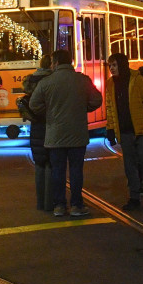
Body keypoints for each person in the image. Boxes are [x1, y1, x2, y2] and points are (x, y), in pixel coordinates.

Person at [29, 47, 102, 218]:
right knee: (76, 170)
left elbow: (33, 105)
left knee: (58, 171)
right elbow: (96, 99)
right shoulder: (82, 80)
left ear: (54, 63)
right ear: (70, 62)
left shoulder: (46, 82)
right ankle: (77, 205)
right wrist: (84, 108)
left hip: (55, 135)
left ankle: (59, 206)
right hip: (77, 134)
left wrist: (48, 113)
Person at [103, 52, 143, 210]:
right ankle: (134, 196)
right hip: (124, 131)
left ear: (122, 65)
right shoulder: (110, 84)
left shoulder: (137, 79)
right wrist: (111, 129)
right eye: (110, 66)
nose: (112, 69)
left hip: (140, 130)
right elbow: (110, 108)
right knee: (130, 164)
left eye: (114, 65)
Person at [21, 53, 53, 212]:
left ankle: (40, 203)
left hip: (36, 128)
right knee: (51, 164)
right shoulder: (52, 81)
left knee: (39, 165)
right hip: (51, 126)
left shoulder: (31, 80)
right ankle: (50, 203)